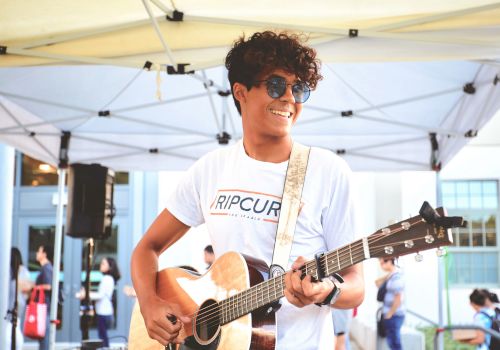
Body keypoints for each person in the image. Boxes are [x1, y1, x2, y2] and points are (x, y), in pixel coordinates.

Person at [131, 30, 364, 350]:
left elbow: (356, 284)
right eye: (276, 85)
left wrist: (326, 290)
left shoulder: (327, 171)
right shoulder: (210, 169)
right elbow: (147, 248)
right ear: (241, 92)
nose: (289, 98)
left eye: (298, 88)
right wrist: (150, 303)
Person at [77, 257, 121, 348]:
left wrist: (86, 294)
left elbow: (101, 295)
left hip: (104, 312)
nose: (101, 265)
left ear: (110, 267)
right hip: (105, 311)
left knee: (103, 336)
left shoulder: (107, 279)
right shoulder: (108, 278)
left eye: (103, 263)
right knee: (103, 335)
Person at [7, 247, 33, 350]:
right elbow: (27, 292)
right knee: (15, 332)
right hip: (18, 308)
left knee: (11, 334)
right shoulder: (23, 271)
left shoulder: (8, 271)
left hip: (9, 308)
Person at [376, 258, 405, 350]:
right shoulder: (392, 276)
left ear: (391, 261)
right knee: (392, 342)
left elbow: (398, 298)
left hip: (394, 315)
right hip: (391, 314)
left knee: (394, 343)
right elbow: (377, 283)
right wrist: (389, 275)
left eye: (384, 262)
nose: (381, 265)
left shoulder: (396, 277)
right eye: (380, 263)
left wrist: (390, 313)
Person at [35, 244, 53, 350]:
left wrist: (35, 287)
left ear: (44, 254)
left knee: (43, 336)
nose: (37, 253)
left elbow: (48, 286)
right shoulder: (47, 267)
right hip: (44, 306)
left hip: (43, 306)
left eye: (39, 251)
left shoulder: (46, 268)